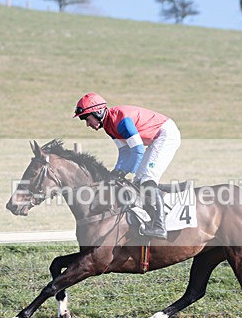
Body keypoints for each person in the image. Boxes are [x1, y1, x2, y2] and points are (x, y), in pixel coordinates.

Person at [74, 92, 181, 239]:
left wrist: (122, 172)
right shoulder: (108, 126)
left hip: (166, 134)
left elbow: (137, 151)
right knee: (138, 181)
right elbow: (124, 152)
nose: (87, 124)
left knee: (148, 178)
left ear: (98, 112)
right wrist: (116, 171)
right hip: (155, 139)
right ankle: (149, 217)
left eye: (87, 118)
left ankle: (160, 226)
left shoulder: (121, 120)